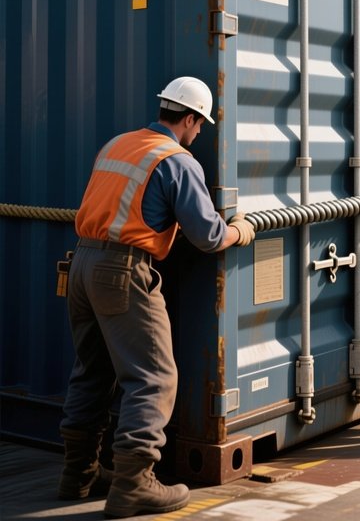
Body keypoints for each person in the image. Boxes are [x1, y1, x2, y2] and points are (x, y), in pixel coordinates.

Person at [58, 77, 256, 517]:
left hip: (82, 266)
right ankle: (133, 485)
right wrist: (241, 231)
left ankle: (77, 475)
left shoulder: (118, 144)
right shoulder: (176, 161)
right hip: (123, 272)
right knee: (155, 379)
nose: (200, 132)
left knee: (92, 371)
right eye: (200, 124)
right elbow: (208, 236)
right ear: (187, 119)